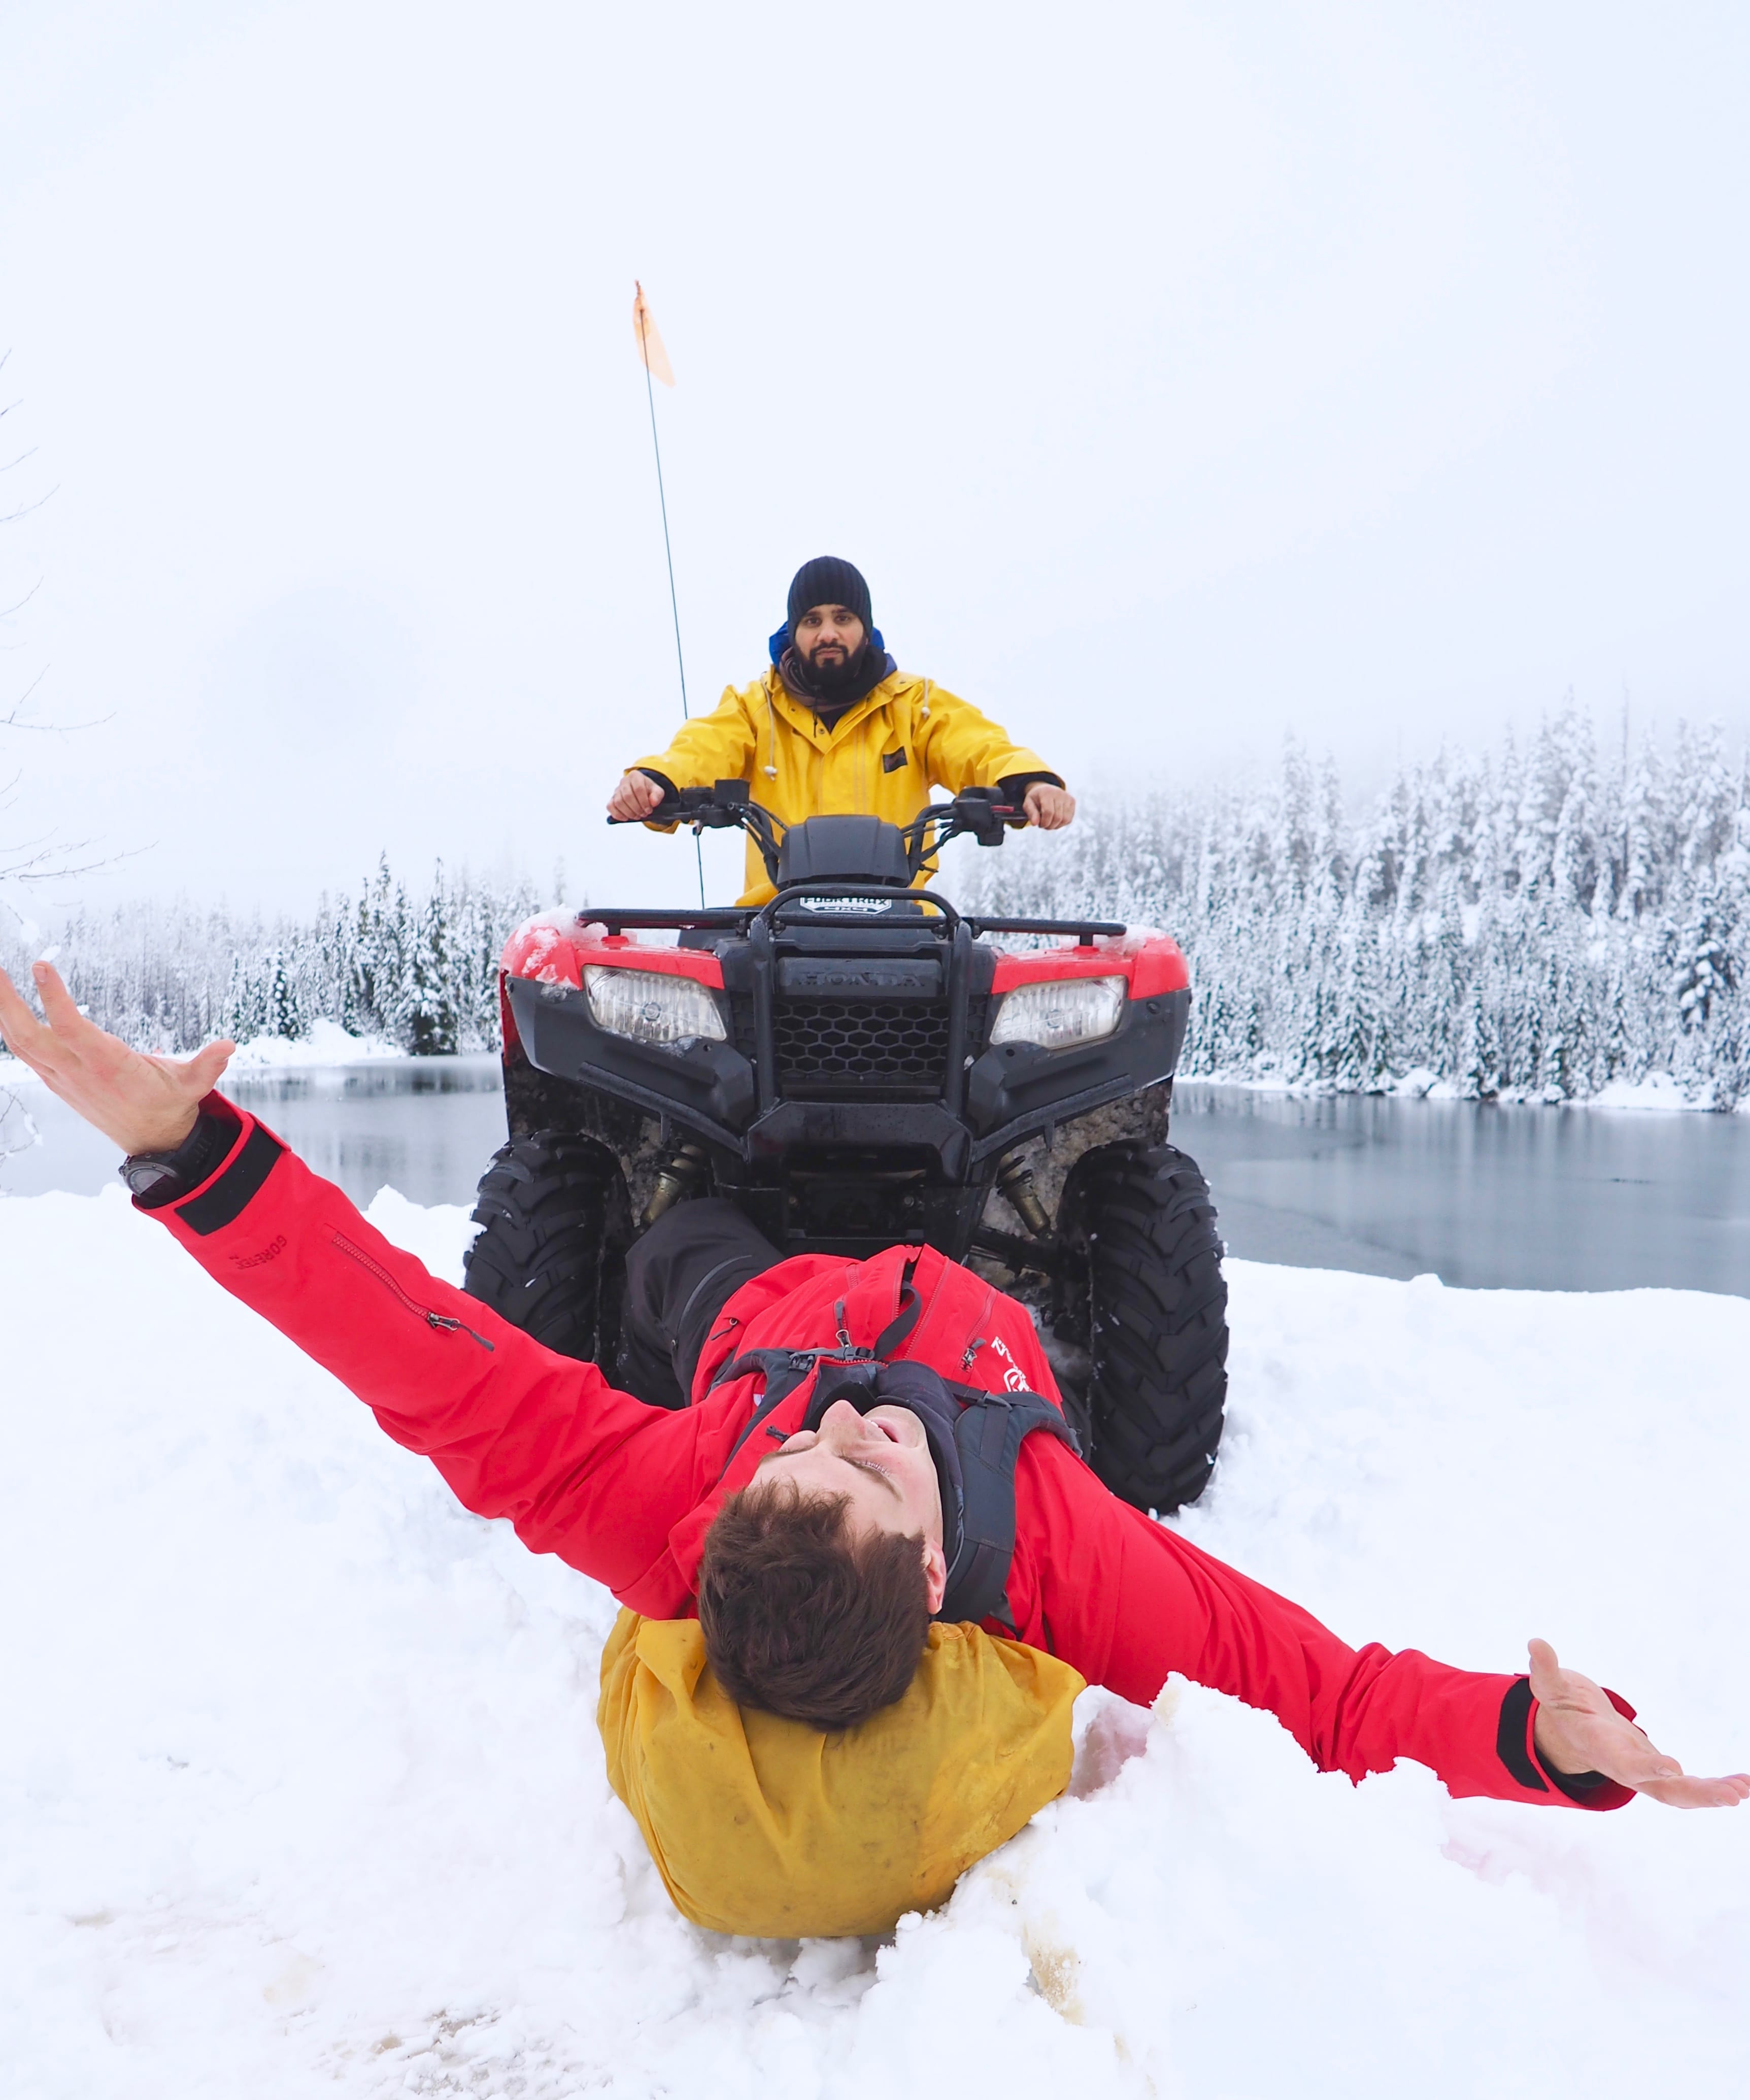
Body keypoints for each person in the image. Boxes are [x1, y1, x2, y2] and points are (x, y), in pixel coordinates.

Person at [3, 963, 1743, 1937]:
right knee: (1000, 1258)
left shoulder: (686, 1497)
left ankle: (708, 1220)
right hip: (973, 1306)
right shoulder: (1060, 1543)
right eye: (869, 1465)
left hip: (744, 1300)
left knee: (672, 1254)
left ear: (723, 1511)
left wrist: (191, 1154)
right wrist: (1546, 1741)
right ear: (934, 1567)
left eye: (799, 1455)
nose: (849, 1421)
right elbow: (1325, 1694)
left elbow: (422, 1361)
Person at [607, 556, 1076, 904]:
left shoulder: (914, 704)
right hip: (772, 918)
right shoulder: (755, 708)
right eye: (812, 621)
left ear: (864, 627)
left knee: (975, 996)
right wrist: (657, 780)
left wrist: (1028, 780)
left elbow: (975, 744)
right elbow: (703, 749)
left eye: (842, 618)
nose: (827, 632)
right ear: (793, 632)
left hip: (899, 917)